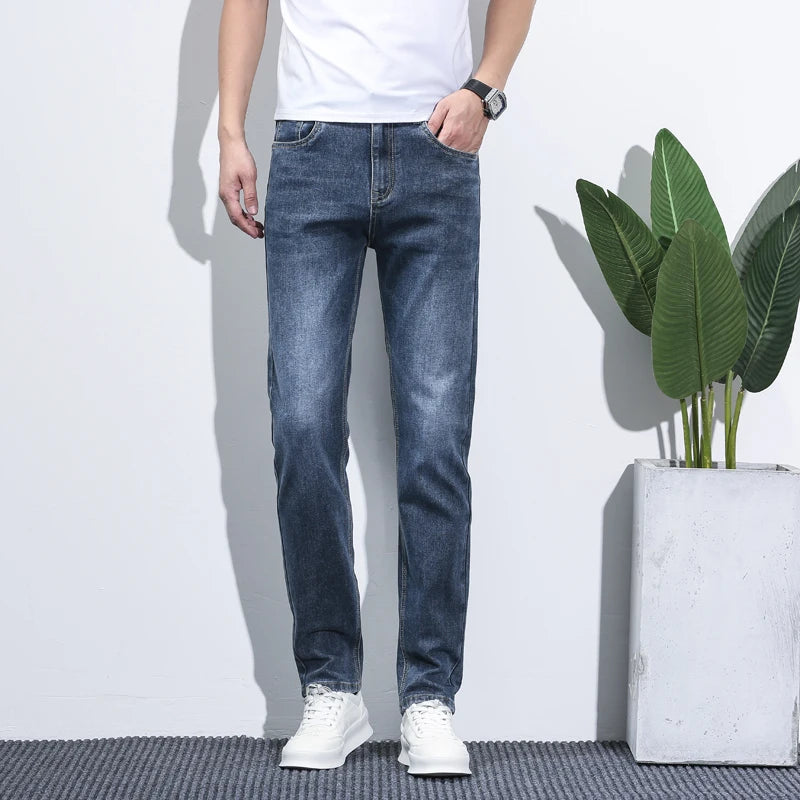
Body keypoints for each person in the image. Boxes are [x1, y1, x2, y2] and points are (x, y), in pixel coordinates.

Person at [218, 0, 535, 778]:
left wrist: (485, 90)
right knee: (302, 424)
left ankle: (430, 696)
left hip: (436, 145)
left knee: (436, 437)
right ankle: (332, 686)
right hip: (311, 145)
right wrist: (230, 132)